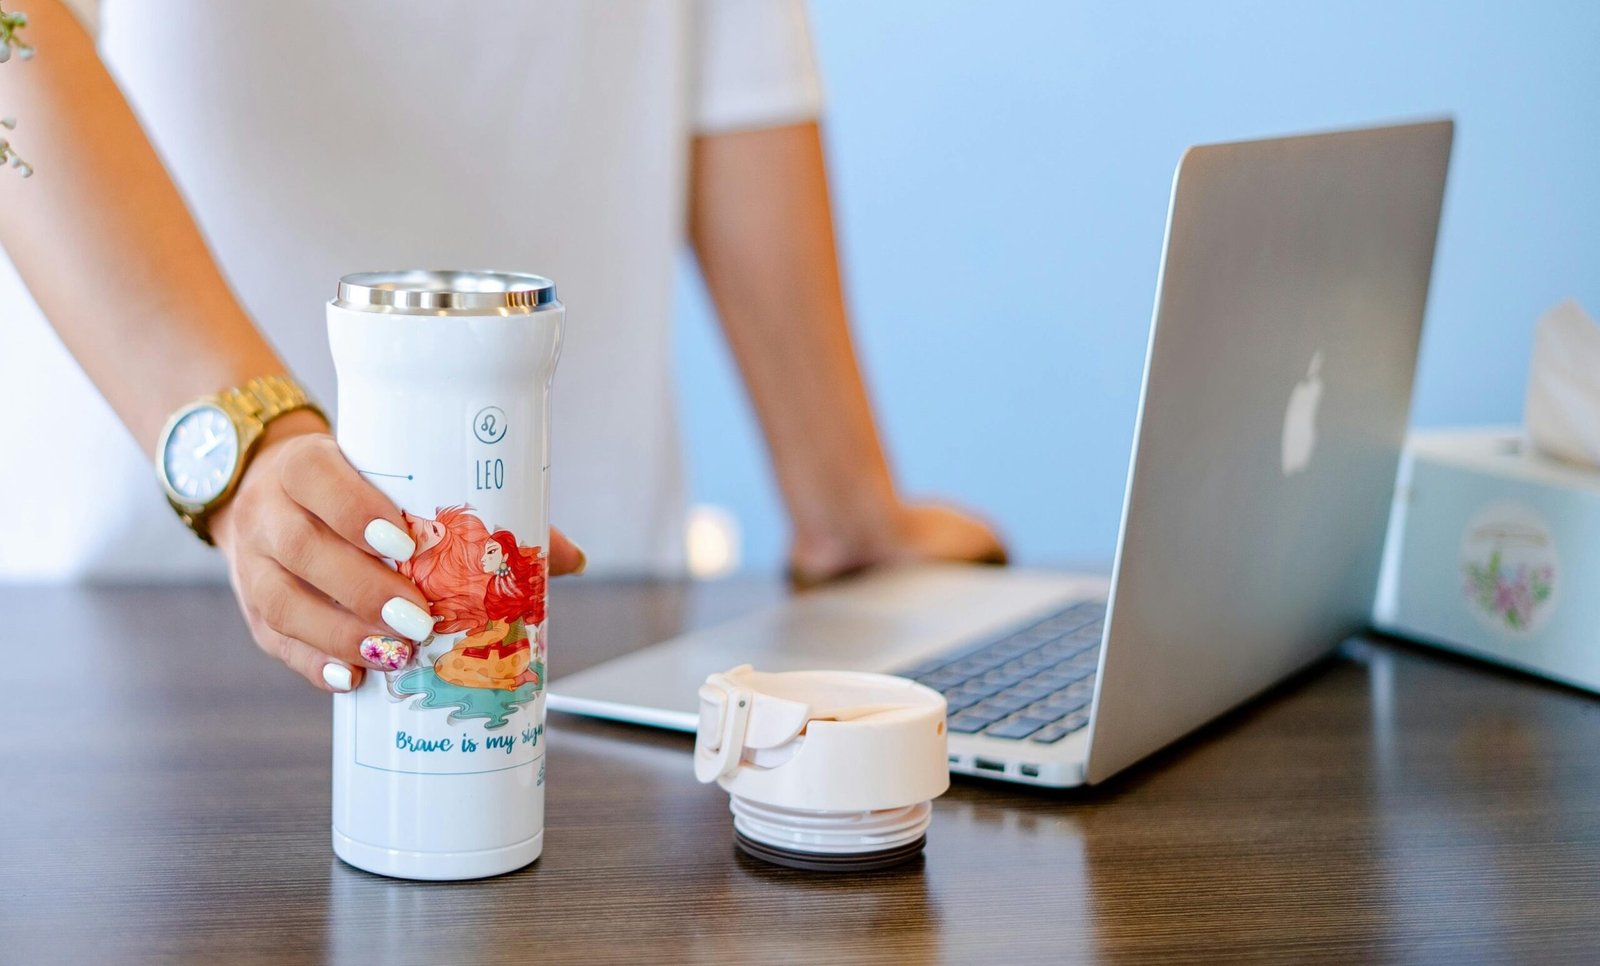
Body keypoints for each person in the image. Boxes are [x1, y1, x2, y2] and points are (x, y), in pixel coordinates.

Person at [0, 0, 1004, 692]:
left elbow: (732, 56)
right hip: (139, 609)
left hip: (582, 611)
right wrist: (243, 439)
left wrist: (847, 508)